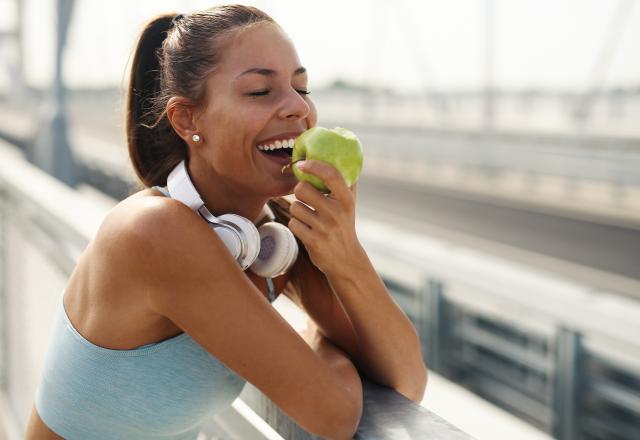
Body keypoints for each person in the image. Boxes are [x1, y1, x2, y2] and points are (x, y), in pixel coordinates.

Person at [25, 4, 427, 439]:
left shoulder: (272, 238)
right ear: (187, 119)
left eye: (302, 87)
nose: (297, 107)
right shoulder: (154, 232)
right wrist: (318, 343)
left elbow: (406, 380)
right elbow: (334, 415)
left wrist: (345, 256)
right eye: (260, 91)